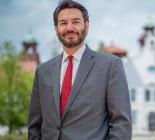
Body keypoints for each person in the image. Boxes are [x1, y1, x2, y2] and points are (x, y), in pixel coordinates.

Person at [28, 0, 132, 139]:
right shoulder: (42, 71)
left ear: (86, 26)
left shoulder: (110, 65)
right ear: (56, 29)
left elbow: (121, 125)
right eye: (63, 23)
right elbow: (34, 127)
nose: (69, 27)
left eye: (76, 22)